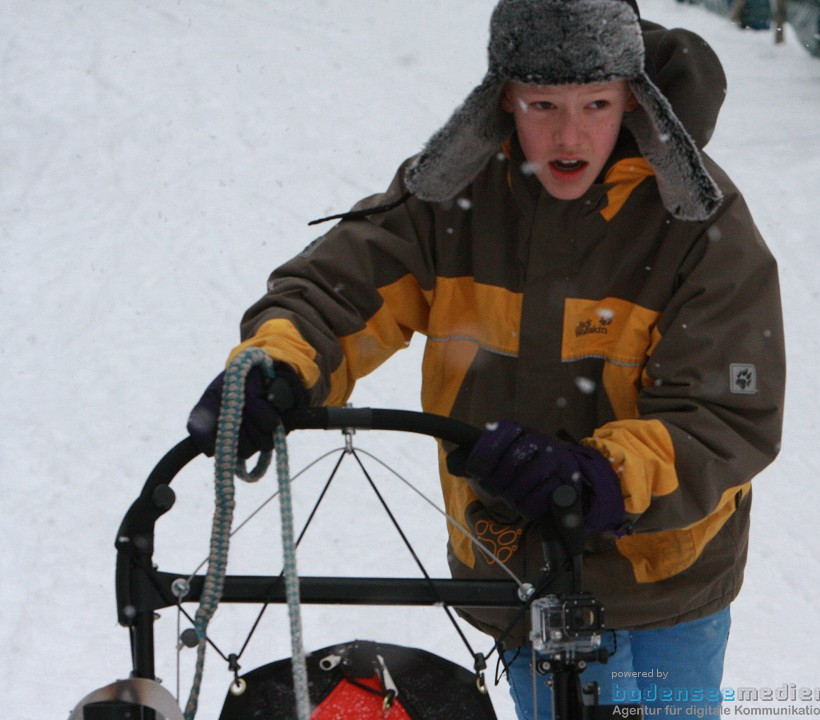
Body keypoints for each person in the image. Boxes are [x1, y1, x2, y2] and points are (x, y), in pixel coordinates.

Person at [187, 0, 785, 717]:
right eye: (542, 104)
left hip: (667, 577)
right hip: (519, 564)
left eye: (596, 104)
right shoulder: (450, 196)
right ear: (503, 97)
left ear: (634, 98)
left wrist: (603, 475)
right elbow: (335, 292)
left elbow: (725, 414)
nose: (569, 135)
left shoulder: (698, 220)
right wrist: (278, 366)